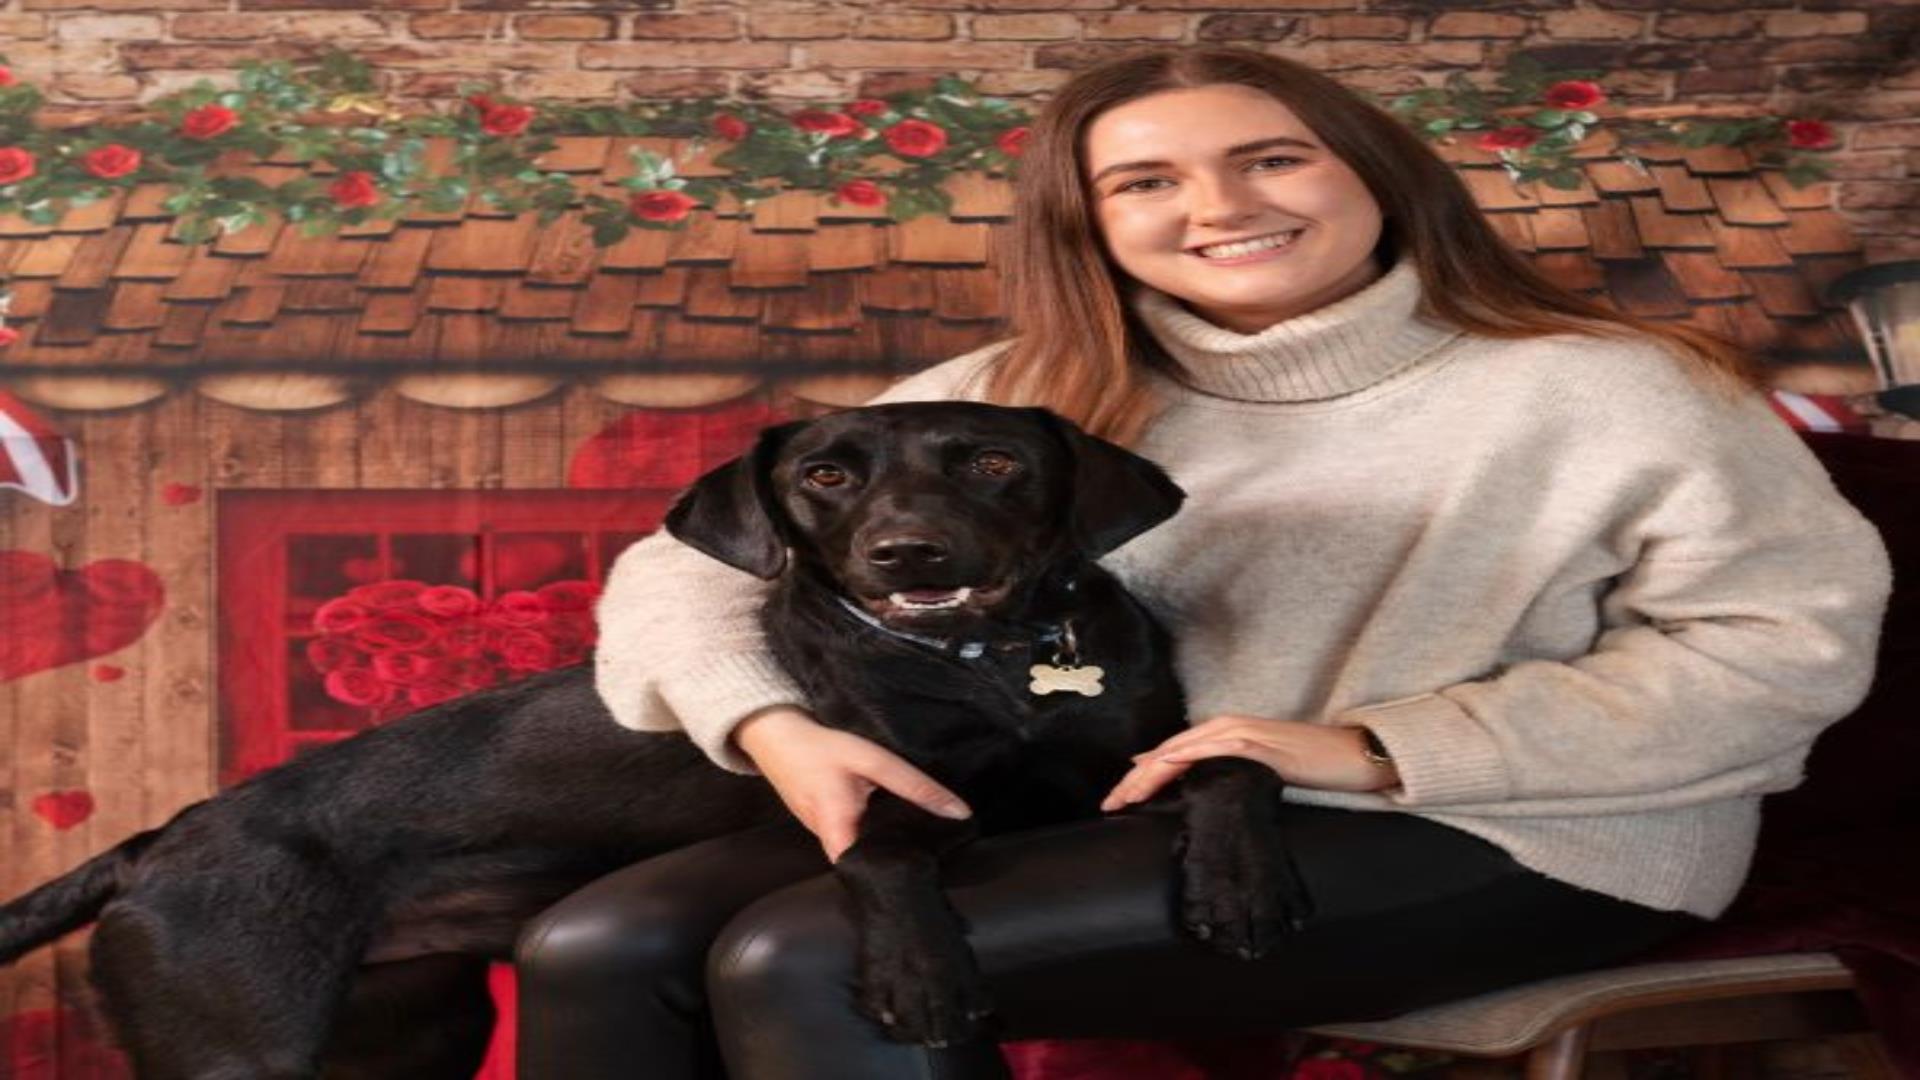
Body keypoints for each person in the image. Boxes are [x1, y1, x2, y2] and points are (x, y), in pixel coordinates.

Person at [514, 46, 1890, 1080]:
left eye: (1274, 158)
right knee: (597, 945)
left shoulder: (1611, 390)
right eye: (1146, 181)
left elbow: (1775, 653)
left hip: (1521, 833)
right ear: (1093, 224)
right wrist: (769, 731)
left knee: (805, 953)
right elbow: (682, 569)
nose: (1220, 205)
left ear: (1375, 176)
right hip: (1127, 823)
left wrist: (1375, 744)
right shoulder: (1039, 390)